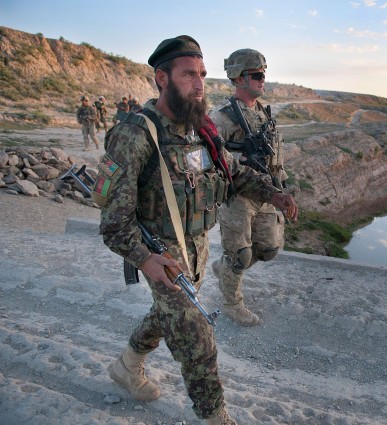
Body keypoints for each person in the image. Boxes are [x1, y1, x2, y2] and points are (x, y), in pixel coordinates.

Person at [92, 36, 297, 425]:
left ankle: (126, 365)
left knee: (167, 315)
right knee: (197, 337)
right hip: (161, 255)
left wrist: (274, 194)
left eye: (202, 74)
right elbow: (113, 224)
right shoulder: (136, 134)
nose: (199, 83)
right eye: (189, 74)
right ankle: (214, 416)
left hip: (198, 248)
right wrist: (146, 259)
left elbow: (233, 173)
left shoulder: (202, 128)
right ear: (162, 77)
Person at [208, 49, 288, 326]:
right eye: (257, 75)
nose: (262, 79)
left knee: (268, 249)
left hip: (266, 190)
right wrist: (237, 159)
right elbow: (206, 157)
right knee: (240, 255)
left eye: (263, 74)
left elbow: (274, 154)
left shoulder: (263, 114)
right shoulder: (221, 117)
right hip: (238, 195)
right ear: (238, 78)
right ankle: (231, 303)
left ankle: (224, 269)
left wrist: (282, 184)